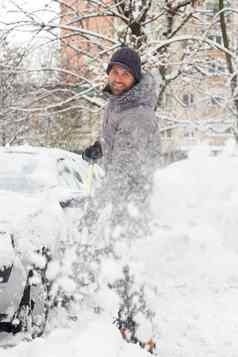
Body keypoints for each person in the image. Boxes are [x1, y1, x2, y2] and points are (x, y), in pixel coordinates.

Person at [82, 46, 160, 242]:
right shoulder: (118, 105)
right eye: (114, 72)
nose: (118, 78)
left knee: (119, 264)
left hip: (130, 206)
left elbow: (124, 169)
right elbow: (119, 143)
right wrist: (100, 148)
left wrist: (94, 210)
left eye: (125, 74)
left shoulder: (137, 114)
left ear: (135, 78)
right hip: (120, 202)